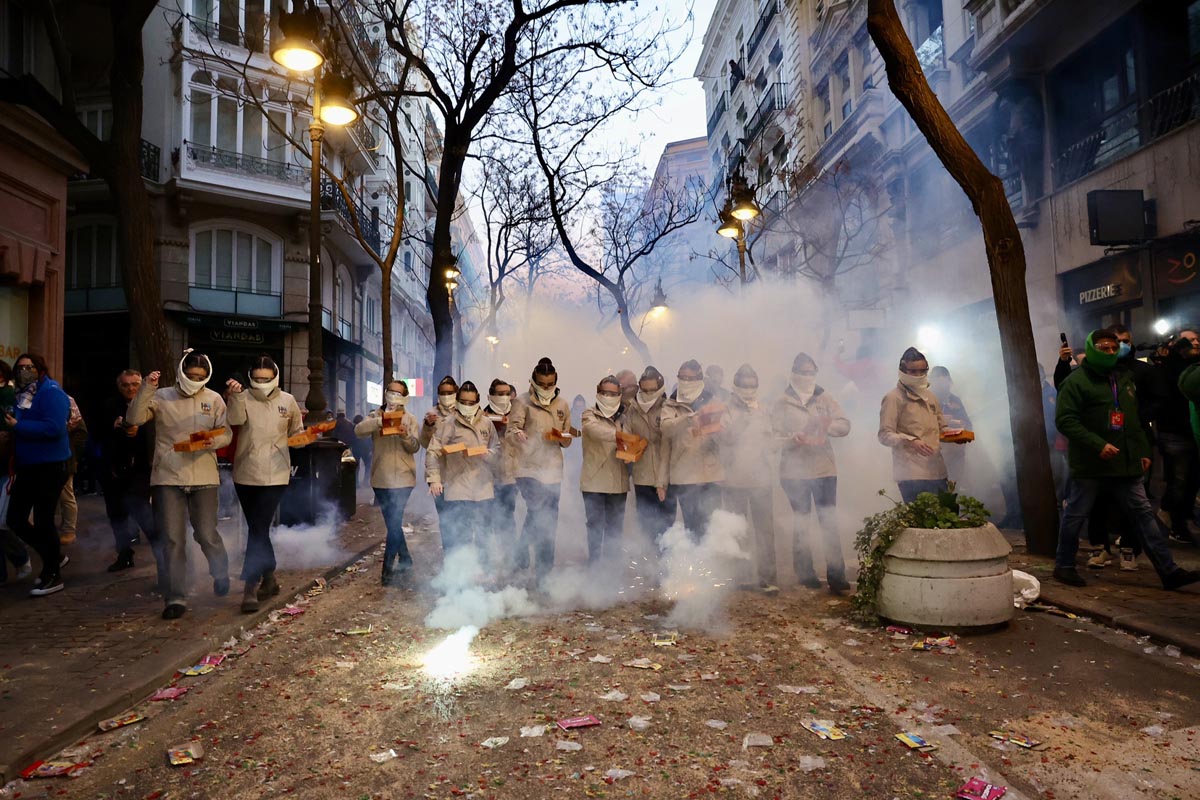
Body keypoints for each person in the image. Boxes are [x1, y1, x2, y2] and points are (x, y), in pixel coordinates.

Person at [1054, 329, 1197, 590]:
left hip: (1125, 463)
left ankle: (1169, 571)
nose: (1111, 352)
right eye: (1104, 348)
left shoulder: (1124, 378)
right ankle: (1064, 565)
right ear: (1092, 349)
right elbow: (1065, 420)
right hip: (1091, 465)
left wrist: (1142, 451)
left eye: (1114, 347)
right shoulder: (1076, 382)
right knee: (1076, 514)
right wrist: (1098, 444)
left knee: (1144, 515)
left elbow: (1132, 420)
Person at [127, 350, 233, 619]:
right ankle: (175, 596)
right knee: (172, 539)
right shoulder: (162, 396)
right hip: (168, 477)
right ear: (181, 372)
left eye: (201, 376)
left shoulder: (214, 399)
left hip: (204, 476)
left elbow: (226, 433)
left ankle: (220, 571)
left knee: (206, 533)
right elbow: (134, 418)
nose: (195, 380)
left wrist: (213, 440)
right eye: (191, 375)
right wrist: (146, 388)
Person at [226, 356, 305, 613]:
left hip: (276, 474)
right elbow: (234, 421)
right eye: (257, 379)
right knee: (257, 529)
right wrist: (235, 397)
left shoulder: (288, 401)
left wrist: (304, 438)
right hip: (246, 472)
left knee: (258, 528)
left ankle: (250, 585)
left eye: (266, 378)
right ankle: (269, 578)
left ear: (275, 377)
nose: (261, 383)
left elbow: (296, 432)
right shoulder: (243, 397)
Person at [773, 353, 852, 593]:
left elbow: (845, 425)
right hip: (793, 472)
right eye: (802, 372)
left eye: (811, 372)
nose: (807, 377)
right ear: (794, 373)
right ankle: (805, 572)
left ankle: (836, 575)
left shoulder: (825, 398)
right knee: (801, 521)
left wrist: (827, 427)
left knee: (829, 521)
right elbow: (772, 438)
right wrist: (793, 439)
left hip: (823, 469)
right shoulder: (782, 402)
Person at [4, 353, 71, 596]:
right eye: (20, 367)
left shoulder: (51, 392)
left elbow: (54, 427)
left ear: (40, 369)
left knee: (44, 520)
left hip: (50, 466)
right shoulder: (22, 395)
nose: (24, 371)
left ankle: (53, 574)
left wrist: (18, 426)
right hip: (28, 465)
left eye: (29, 367)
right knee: (15, 518)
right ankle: (53, 556)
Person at [508, 358, 573, 580]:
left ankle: (544, 571)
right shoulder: (521, 402)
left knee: (549, 520)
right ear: (534, 382)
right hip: (527, 468)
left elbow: (567, 439)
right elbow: (511, 430)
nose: (546, 388)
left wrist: (563, 437)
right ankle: (522, 549)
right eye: (542, 384)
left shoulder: (562, 405)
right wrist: (517, 434)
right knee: (537, 509)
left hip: (552, 470)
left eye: (550, 384)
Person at [355, 379, 420, 586]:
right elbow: (359, 431)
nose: (393, 396)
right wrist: (380, 421)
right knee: (393, 524)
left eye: (398, 393)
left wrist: (405, 436)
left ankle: (388, 569)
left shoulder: (410, 419)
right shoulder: (374, 415)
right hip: (381, 479)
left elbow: (415, 446)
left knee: (393, 523)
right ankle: (406, 558)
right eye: (391, 391)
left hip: (404, 478)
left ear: (405, 397)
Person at [101, 369, 162, 580]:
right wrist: (114, 426)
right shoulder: (110, 405)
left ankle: (163, 558)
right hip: (115, 469)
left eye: (135, 384)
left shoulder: (153, 403)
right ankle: (124, 554)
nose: (130, 388)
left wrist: (139, 428)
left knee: (144, 514)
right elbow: (98, 432)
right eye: (126, 385)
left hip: (141, 470)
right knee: (116, 515)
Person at [426, 381, 498, 555]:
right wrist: (434, 479)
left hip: (483, 488)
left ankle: (483, 568)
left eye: (471, 403)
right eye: (464, 402)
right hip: (457, 487)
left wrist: (488, 454)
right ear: (457, 402)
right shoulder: (447, 423)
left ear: (478, 402)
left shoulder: (487, 423)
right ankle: (458, 569)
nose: (467, 406)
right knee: (460, 535)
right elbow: (433, 451)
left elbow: (497, 449)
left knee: (483, 535)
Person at [658, 359, 729, 536]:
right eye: (682, 377)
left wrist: (714, 428)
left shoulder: (713, 400)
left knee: (711, 527)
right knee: (692, 527)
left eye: (690, 378)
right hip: (684, 475)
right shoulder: (671, 403)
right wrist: (688, 419)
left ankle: (713, 555)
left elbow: (726, 437)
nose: (686, 381)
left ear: (699, 378)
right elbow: (666, 429)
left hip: (710, 474)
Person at [723, 364, 777, 591]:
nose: (748, 390)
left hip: (761, 479)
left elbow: (772, 440)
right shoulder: (726, 409)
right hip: (734, 479)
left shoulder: (764, 409)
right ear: (736, 386)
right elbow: (724, 438)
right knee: (738, 529)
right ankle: (741, 575)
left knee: (765, 530)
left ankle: (768, 577)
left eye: (752, 386)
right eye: (744, 386)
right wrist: (744, 420)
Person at [878, 347, 953, 503]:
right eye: (913, 371)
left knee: (947, 514)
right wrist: (911, 441)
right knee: (922, 517)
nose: (918, 376)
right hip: (911, 473)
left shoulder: (930, 396)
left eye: (922, 371)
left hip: (937, 470)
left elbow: (942, 428)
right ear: (902, 371)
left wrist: (955, 435)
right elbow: (884, 435)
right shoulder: (893, 398)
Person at [1153, 329, 1200, 546]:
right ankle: (1175, 521)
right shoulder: (1169, 368)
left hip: (1192, 432)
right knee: (1179, 481)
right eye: (1189, 341)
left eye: (1197, 339)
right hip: (1174, 432)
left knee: (1192, 480)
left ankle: (1182, 518)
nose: (1195, 343)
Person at [580, 375, 630, 563]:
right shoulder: (589, 414)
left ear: (619, 395)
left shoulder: (625, 417)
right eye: (605, 393)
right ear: (598, 392)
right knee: (594, 525)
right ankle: (594, 564)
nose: (608, 397)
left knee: (615, 527)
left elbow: (634, 440)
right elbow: (594, 431)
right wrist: (620, 436)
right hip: (594, 480)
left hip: (618, 480)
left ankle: (611, 566)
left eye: (613, 394)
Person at [625, 367, 670, 543]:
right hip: (642, 476)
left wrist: (662, 481)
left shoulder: (668, 408)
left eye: (652, 390)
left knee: (666, 524)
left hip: (665, 476)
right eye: (644, 390)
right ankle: (649, 556)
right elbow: (626, 437)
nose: (648, 394)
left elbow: (670, 443)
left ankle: (667, 558)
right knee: (645, 523)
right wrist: (631, 447)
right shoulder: (633, 410)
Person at [0, 359, 33, 585]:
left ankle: (20, 557)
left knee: (3, 522)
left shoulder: (12, 396)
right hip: (8, 463)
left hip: (7, 466)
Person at [484, 379, 520, 572]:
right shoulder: (481, 415)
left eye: (507, 393)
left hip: (509, 477)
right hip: (487, 477)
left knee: (507, 517)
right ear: (491, 395)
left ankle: (509, 557)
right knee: (487, 519)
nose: (504, 397)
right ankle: (489, 559)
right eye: (500, 393)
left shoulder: (517, 416)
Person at [422, 375, 459, 549]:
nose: (446, 396)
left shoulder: (464, 411)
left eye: (450, 392)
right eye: (443, 393)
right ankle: (450, 554)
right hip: (440, 475)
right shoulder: (431, 414)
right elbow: (425, 444)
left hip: (461, 474)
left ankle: (463, 554)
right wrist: (428, 426)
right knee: (445, 518)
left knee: (462, 519)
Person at [929, 366, 972, 487]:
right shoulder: (925, 401)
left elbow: (968, 426)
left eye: (946, 385)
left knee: (956, 489)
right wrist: (941, 420)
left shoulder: (955, 400)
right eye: (940, 386)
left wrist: (960, 423)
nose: (945, 390)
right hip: (934, 459)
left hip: (956, 457)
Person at [56, 396, 87, 545]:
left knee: (66, 494)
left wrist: (73, 454)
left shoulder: (66, 400)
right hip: (50, 456)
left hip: (64, 457)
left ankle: (69, 529)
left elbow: (81, 432)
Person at [350, 413, 373, 488]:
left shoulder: (352, 428)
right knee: (368, 465)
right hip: (365, 449)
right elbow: (369, 439)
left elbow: (351, 439)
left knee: (356, 467)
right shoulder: (364, 427)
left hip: (356, 449)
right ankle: (365, 482)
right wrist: (370, 449)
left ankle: (356, 483)